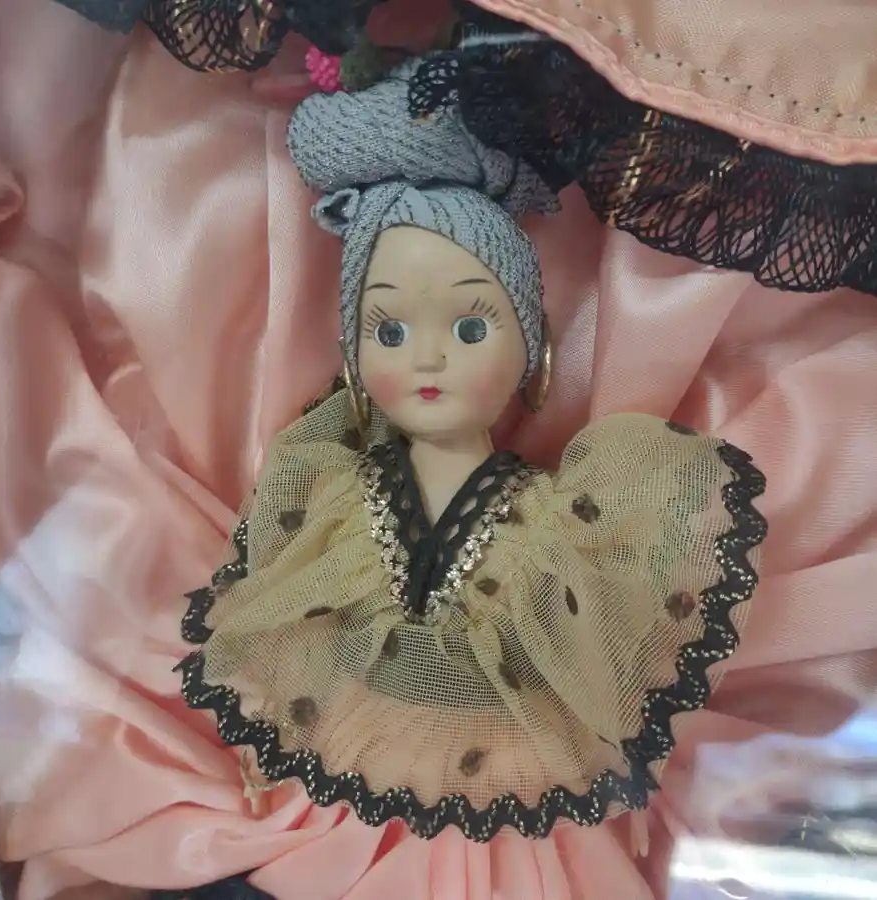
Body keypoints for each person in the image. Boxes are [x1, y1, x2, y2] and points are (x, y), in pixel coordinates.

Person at [175, 60, 767, 845]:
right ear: (354, 357)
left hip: (511, 808)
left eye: (469, 327)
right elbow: (289, 650)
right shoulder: (331, 498)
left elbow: (599, 688)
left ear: (535, 349)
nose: (428, 358)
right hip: (349, 794)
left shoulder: (568, 528)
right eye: (390, 330)